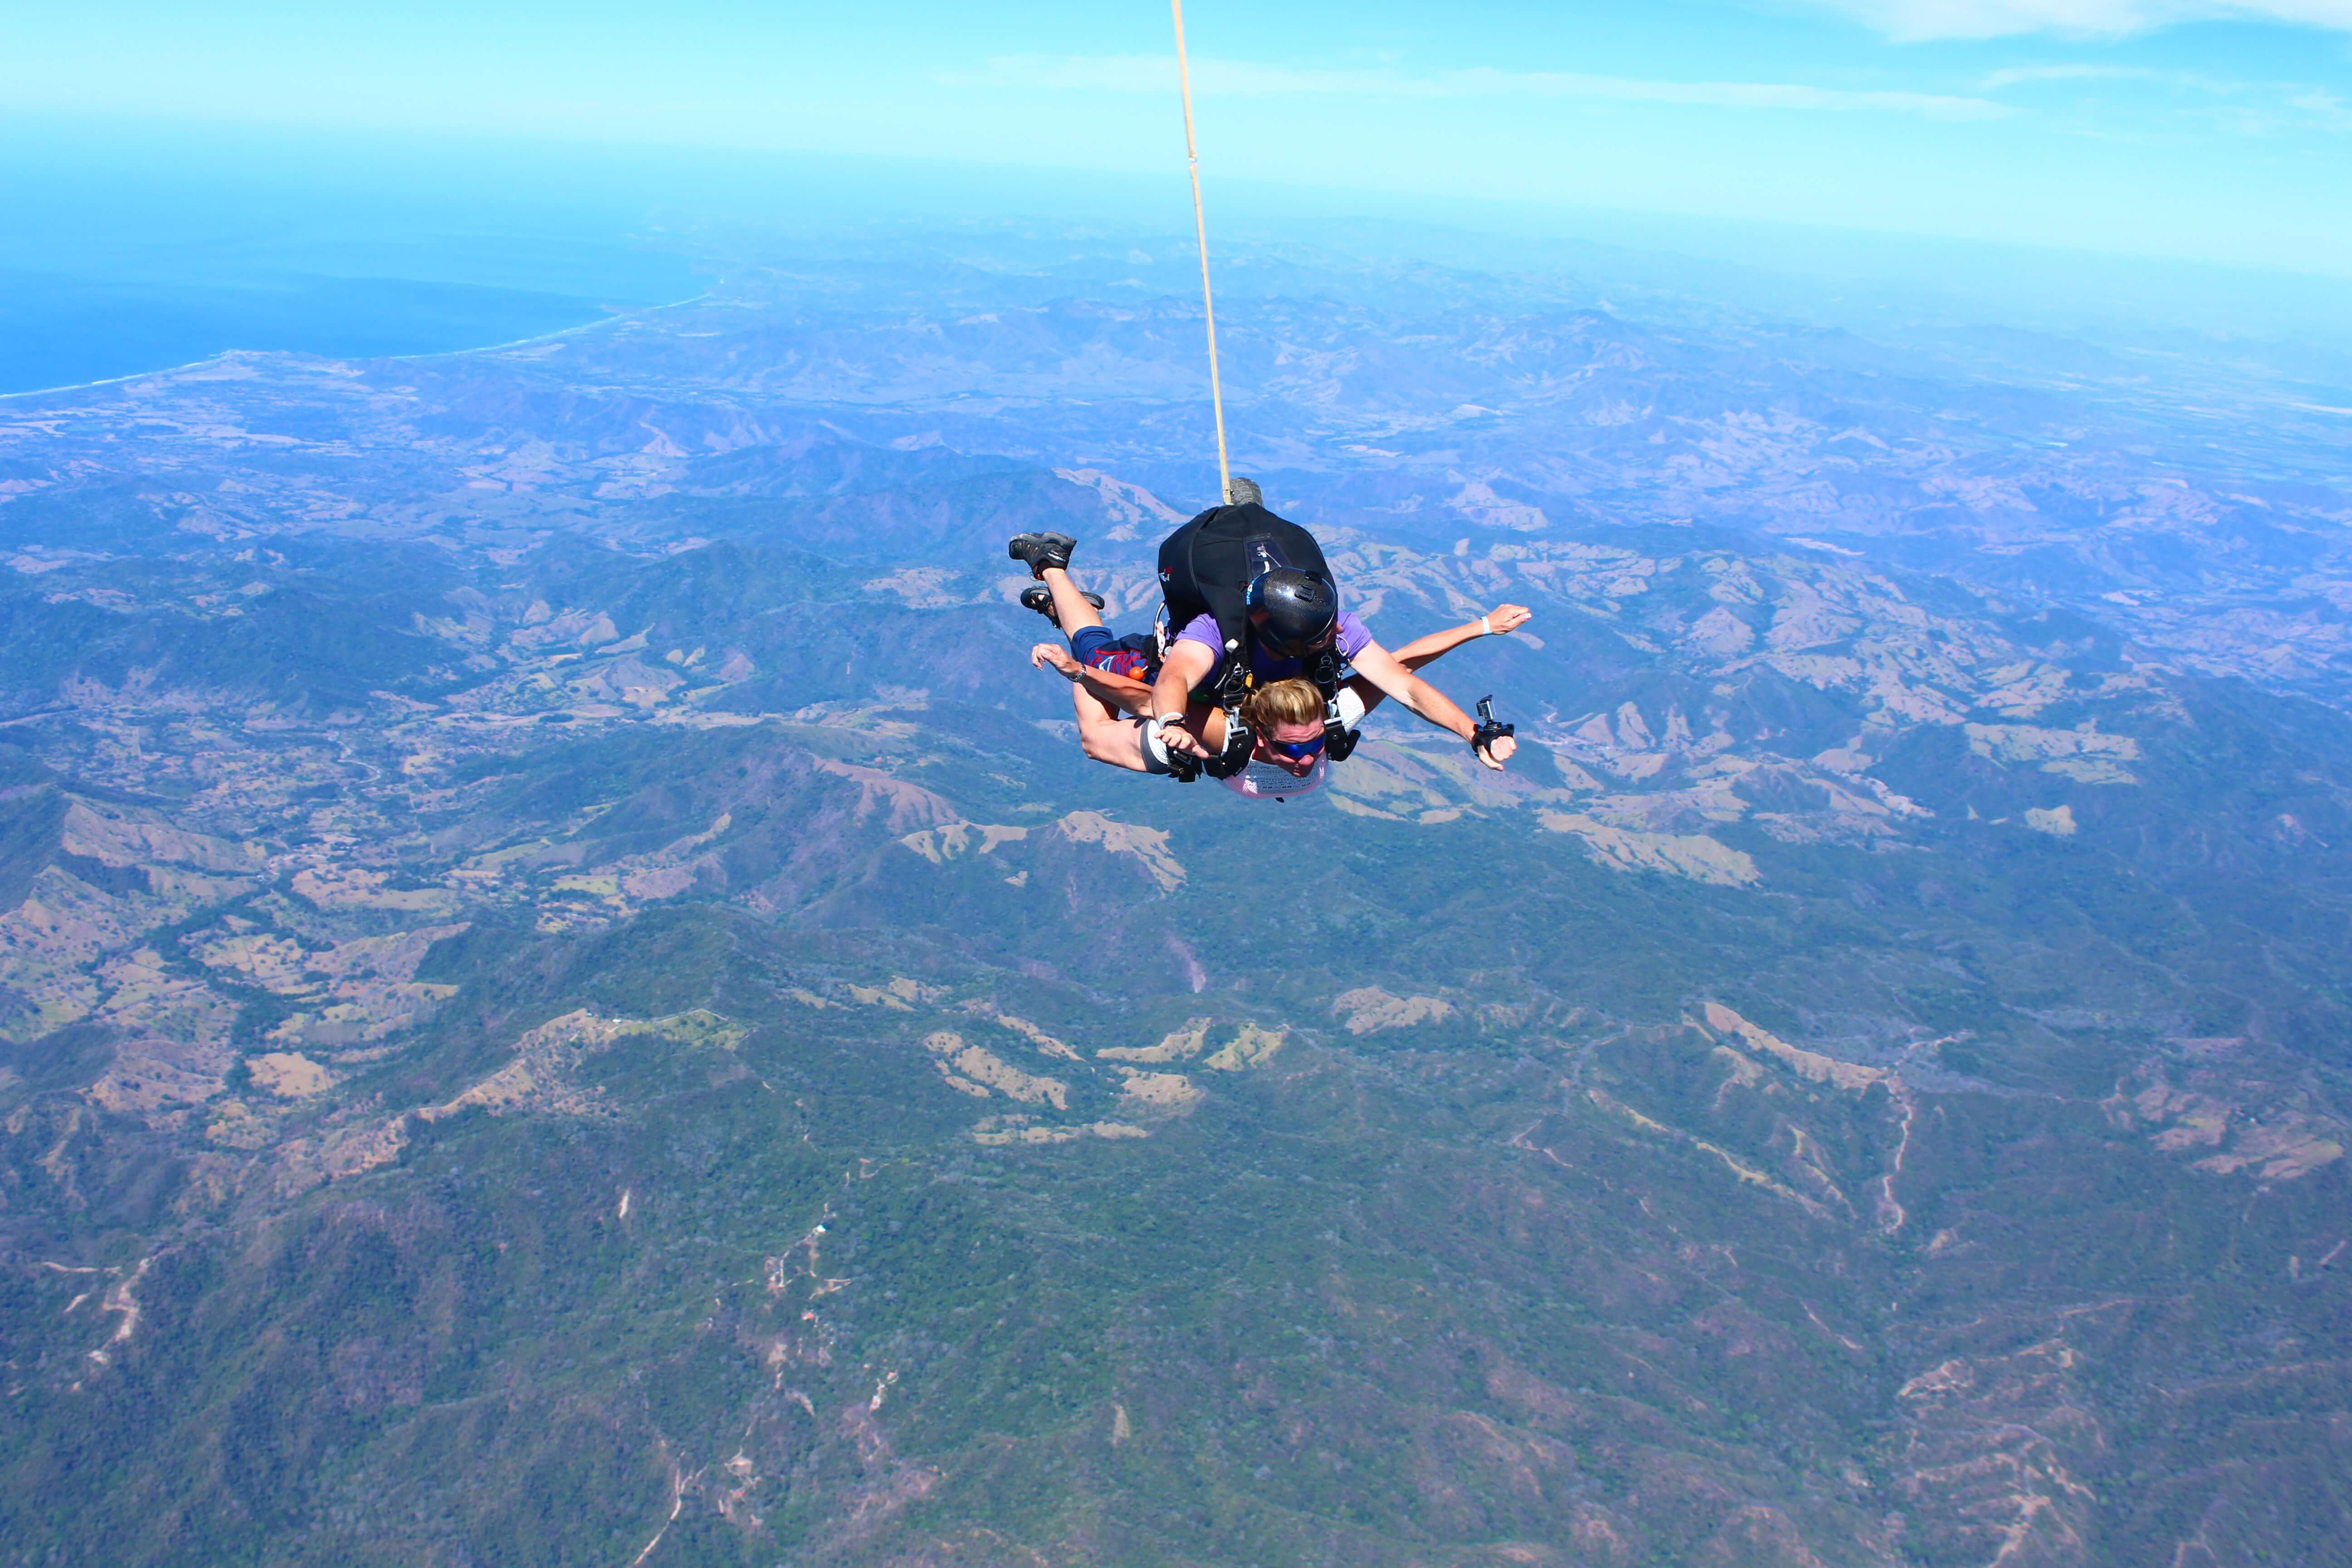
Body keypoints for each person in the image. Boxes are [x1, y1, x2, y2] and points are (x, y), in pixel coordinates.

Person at [1010, 530, 1527, 799]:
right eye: (1298, 749)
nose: (1306, 758)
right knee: (1096, 723)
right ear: (1260, 734)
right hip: (1185, 689)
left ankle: (1074, 624)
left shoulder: (1328, 709)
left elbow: (1402, 671)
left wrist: (1482, 631)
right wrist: (1084, 675)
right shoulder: (1222, 728)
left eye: (1312, 745)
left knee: (1107, 697)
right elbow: (1153, 694)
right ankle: (1054, 568)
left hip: (1202, 707)